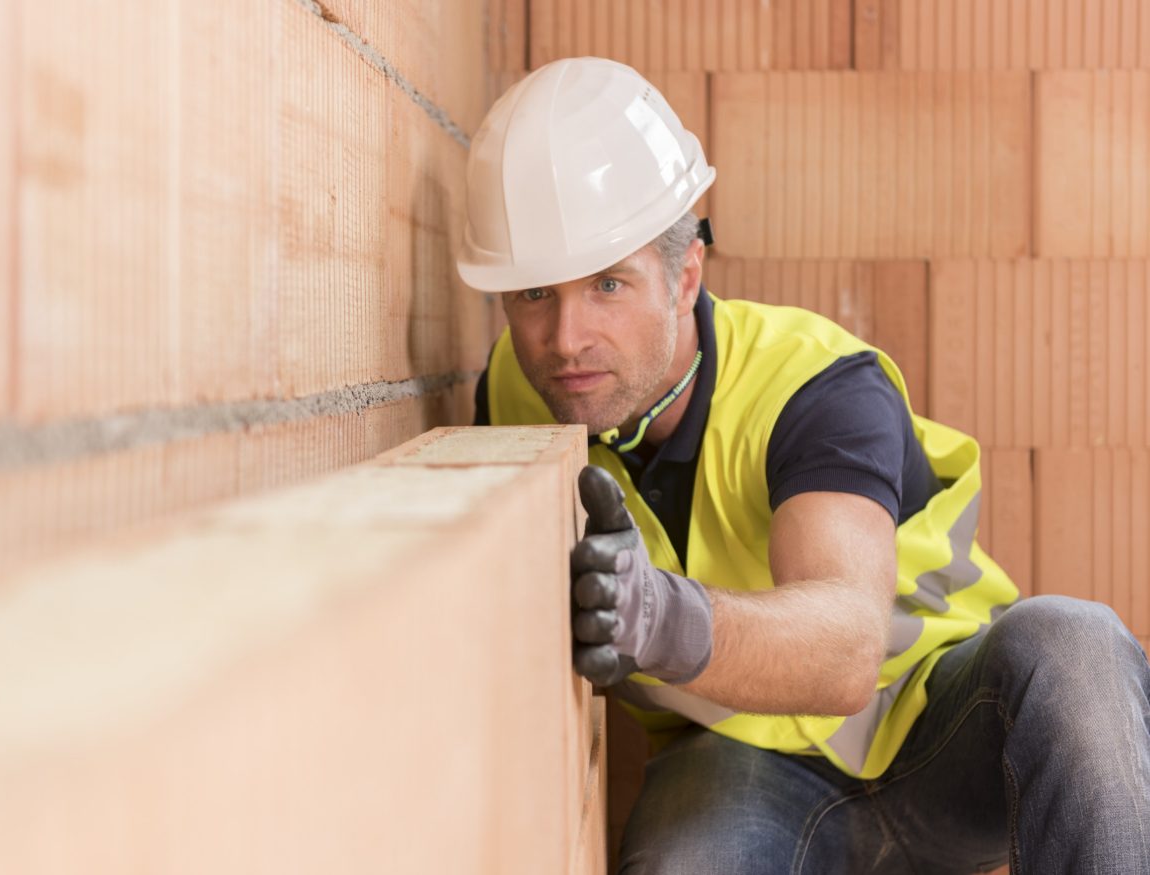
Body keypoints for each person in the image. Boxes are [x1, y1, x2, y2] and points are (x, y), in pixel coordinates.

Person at [460, 57, 1150, 874]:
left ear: (685, 277)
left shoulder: (813, 385)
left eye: (608, 284)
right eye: (536, 293)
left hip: (935, 725)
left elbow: (846, 651)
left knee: (1076, 643)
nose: (567, 339)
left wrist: (661, 618)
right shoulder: (518, 393)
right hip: (734, 762)